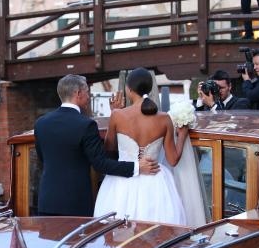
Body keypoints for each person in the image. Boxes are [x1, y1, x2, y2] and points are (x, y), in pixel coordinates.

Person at [34, 73, 160, 217]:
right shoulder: (86, 125)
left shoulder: (41, 123)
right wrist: (138, 166)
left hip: (46, 201)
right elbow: (101, 164)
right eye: (87, 92)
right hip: (75, 203)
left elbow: (43, 159)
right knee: (76, 241)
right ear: (78, 93)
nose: (89, 96)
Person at [93, 68, 190, 224]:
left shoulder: (118, 115)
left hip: (122, 184)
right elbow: (173, 160)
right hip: (156, 182)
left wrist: (114, 113)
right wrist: (183, 135)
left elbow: (109, 152)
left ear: (129, 89)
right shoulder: (164, 118)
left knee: (118, 232)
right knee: (157, 232)